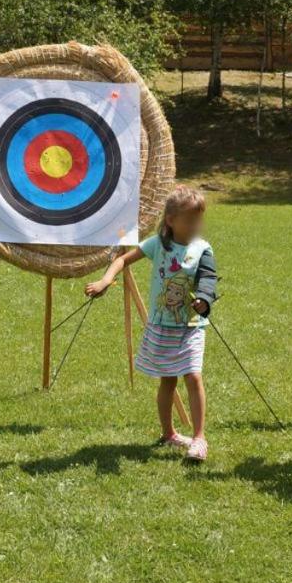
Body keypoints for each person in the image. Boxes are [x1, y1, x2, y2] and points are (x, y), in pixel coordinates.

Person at [85, 186, 217, 462]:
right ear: (171, 220)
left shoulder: (203, 249)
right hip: (162, 327)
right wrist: (105, 280)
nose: (196, 226)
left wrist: (203, 300)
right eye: (189, 220)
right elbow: (122, 259)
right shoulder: (157, 244)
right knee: (168, 380)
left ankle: (199, 438)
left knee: (193, 376)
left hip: (191, 327)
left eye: (198, 220)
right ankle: (169, 433)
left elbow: (208, 279)